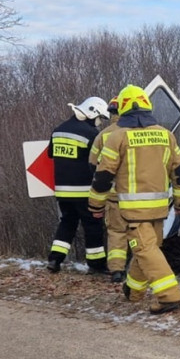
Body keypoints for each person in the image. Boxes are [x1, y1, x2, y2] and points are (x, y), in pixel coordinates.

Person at [89, 84, 180, 314]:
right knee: (147, 248)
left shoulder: (117, 137)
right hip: (159, 209)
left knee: (145, 250)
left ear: (122, 109)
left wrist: (95, 205)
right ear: (147, 106)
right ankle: (133, 291)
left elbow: (102, 177)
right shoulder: (166, 135)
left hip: (133, 212)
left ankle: (168, 296)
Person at [46, 96, 110, 274]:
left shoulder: (58, 130)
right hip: (83, 190)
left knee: (67, 223)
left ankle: (54, 259)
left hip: (62, 191)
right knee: (93, 225)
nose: (99, 122)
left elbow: (51, 154)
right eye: (99, 118)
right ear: (92, 112)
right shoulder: (91, 134)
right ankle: (96, 265)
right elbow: (98, 161)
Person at [89, 101, 130, 283]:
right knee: (141, 234)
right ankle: (142, 270)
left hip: (113, 194)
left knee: (116, 233)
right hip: (138, 194)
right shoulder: (138, 132)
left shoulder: (103, 135)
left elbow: (92, 164)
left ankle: (116, 271)